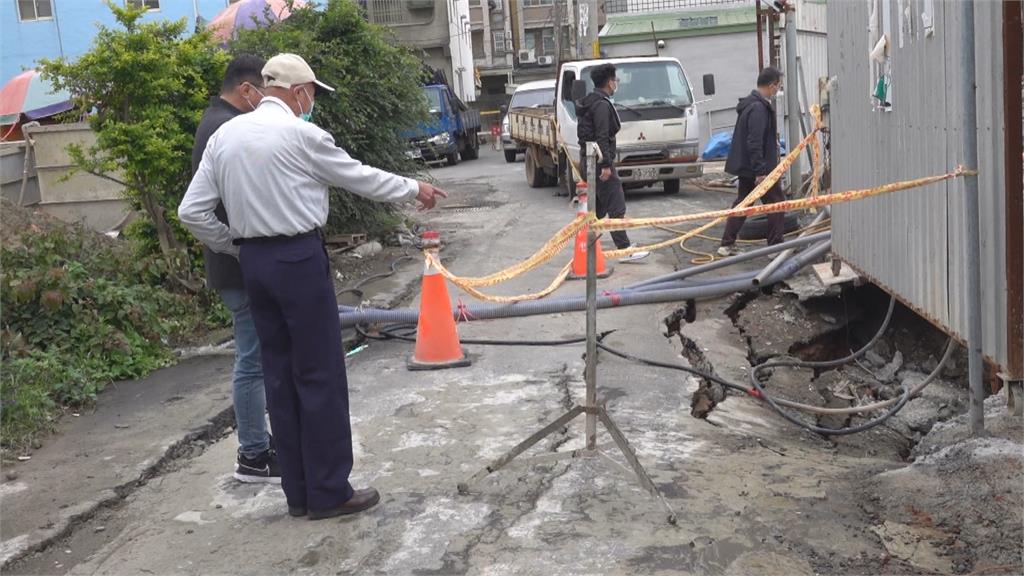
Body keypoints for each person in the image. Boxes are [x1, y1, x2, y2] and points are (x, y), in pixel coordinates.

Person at [179, 53, 447, 520]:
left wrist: (236, 247)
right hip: (298, 259)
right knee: (319, 372)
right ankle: (329, 491)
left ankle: (299, 493)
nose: (312, 103)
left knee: (279, 374)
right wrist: (413, 188)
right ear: (298, 91)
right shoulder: (302, 135)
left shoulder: (225, 136)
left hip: (255, 264)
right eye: (312, 94)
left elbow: (192, 212)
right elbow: (358, 176)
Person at [190, 54, 279, 484]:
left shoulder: (216, 121)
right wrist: (235, 248)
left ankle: (258, 445)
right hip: (238, 268)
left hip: (235, 265)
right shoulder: (224, 128)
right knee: (252, 360)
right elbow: (197, 211)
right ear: (247, 90)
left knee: (255, 357)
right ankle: (253, 455)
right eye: (263, 91)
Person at [576, 63, 649, 262]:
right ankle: (625, 250)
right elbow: (602, 136)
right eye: (615, 80)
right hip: (600, 164)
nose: (616, 83)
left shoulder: (589, 102)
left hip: (590, 161)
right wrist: (607, 165)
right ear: (609, 82)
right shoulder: (601, 105)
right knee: (616, 205)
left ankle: (586, 246)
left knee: (598, 210)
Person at [718, 66, 786, 257]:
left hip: (748, 167)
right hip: (758, 168)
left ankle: (727, 244)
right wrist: (761, 172)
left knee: (744, 202)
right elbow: (754, 142)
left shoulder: (750, 105)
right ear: (772, 85)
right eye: (778, 86)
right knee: (776, 203)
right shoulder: (758, 108)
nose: (777, 90)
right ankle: (775, 247)